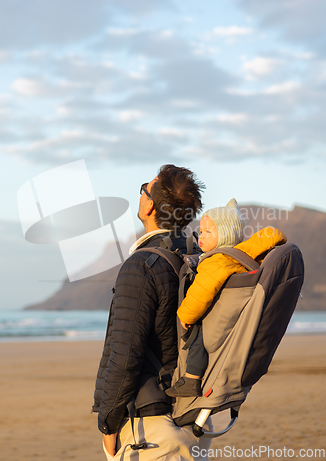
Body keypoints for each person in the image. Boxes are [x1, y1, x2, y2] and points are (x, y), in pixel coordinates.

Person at [92, 164, 212, 460]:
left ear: (148, 205)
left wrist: (108, 425)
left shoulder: (142, 266)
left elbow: (124, 353)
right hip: (194, 418)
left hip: (152, 429)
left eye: (144, 188)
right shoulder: (197, 260)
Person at [166, 199, 287, 398]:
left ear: (225, 234)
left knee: (197, 331)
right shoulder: (243, 254)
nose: (201, 237)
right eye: (201, 231)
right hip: (239, 319)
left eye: (208, 232)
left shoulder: (216, 262)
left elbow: (200, 293)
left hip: (218, 325)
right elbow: (272, 235)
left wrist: (186, 315)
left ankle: (191, 378)